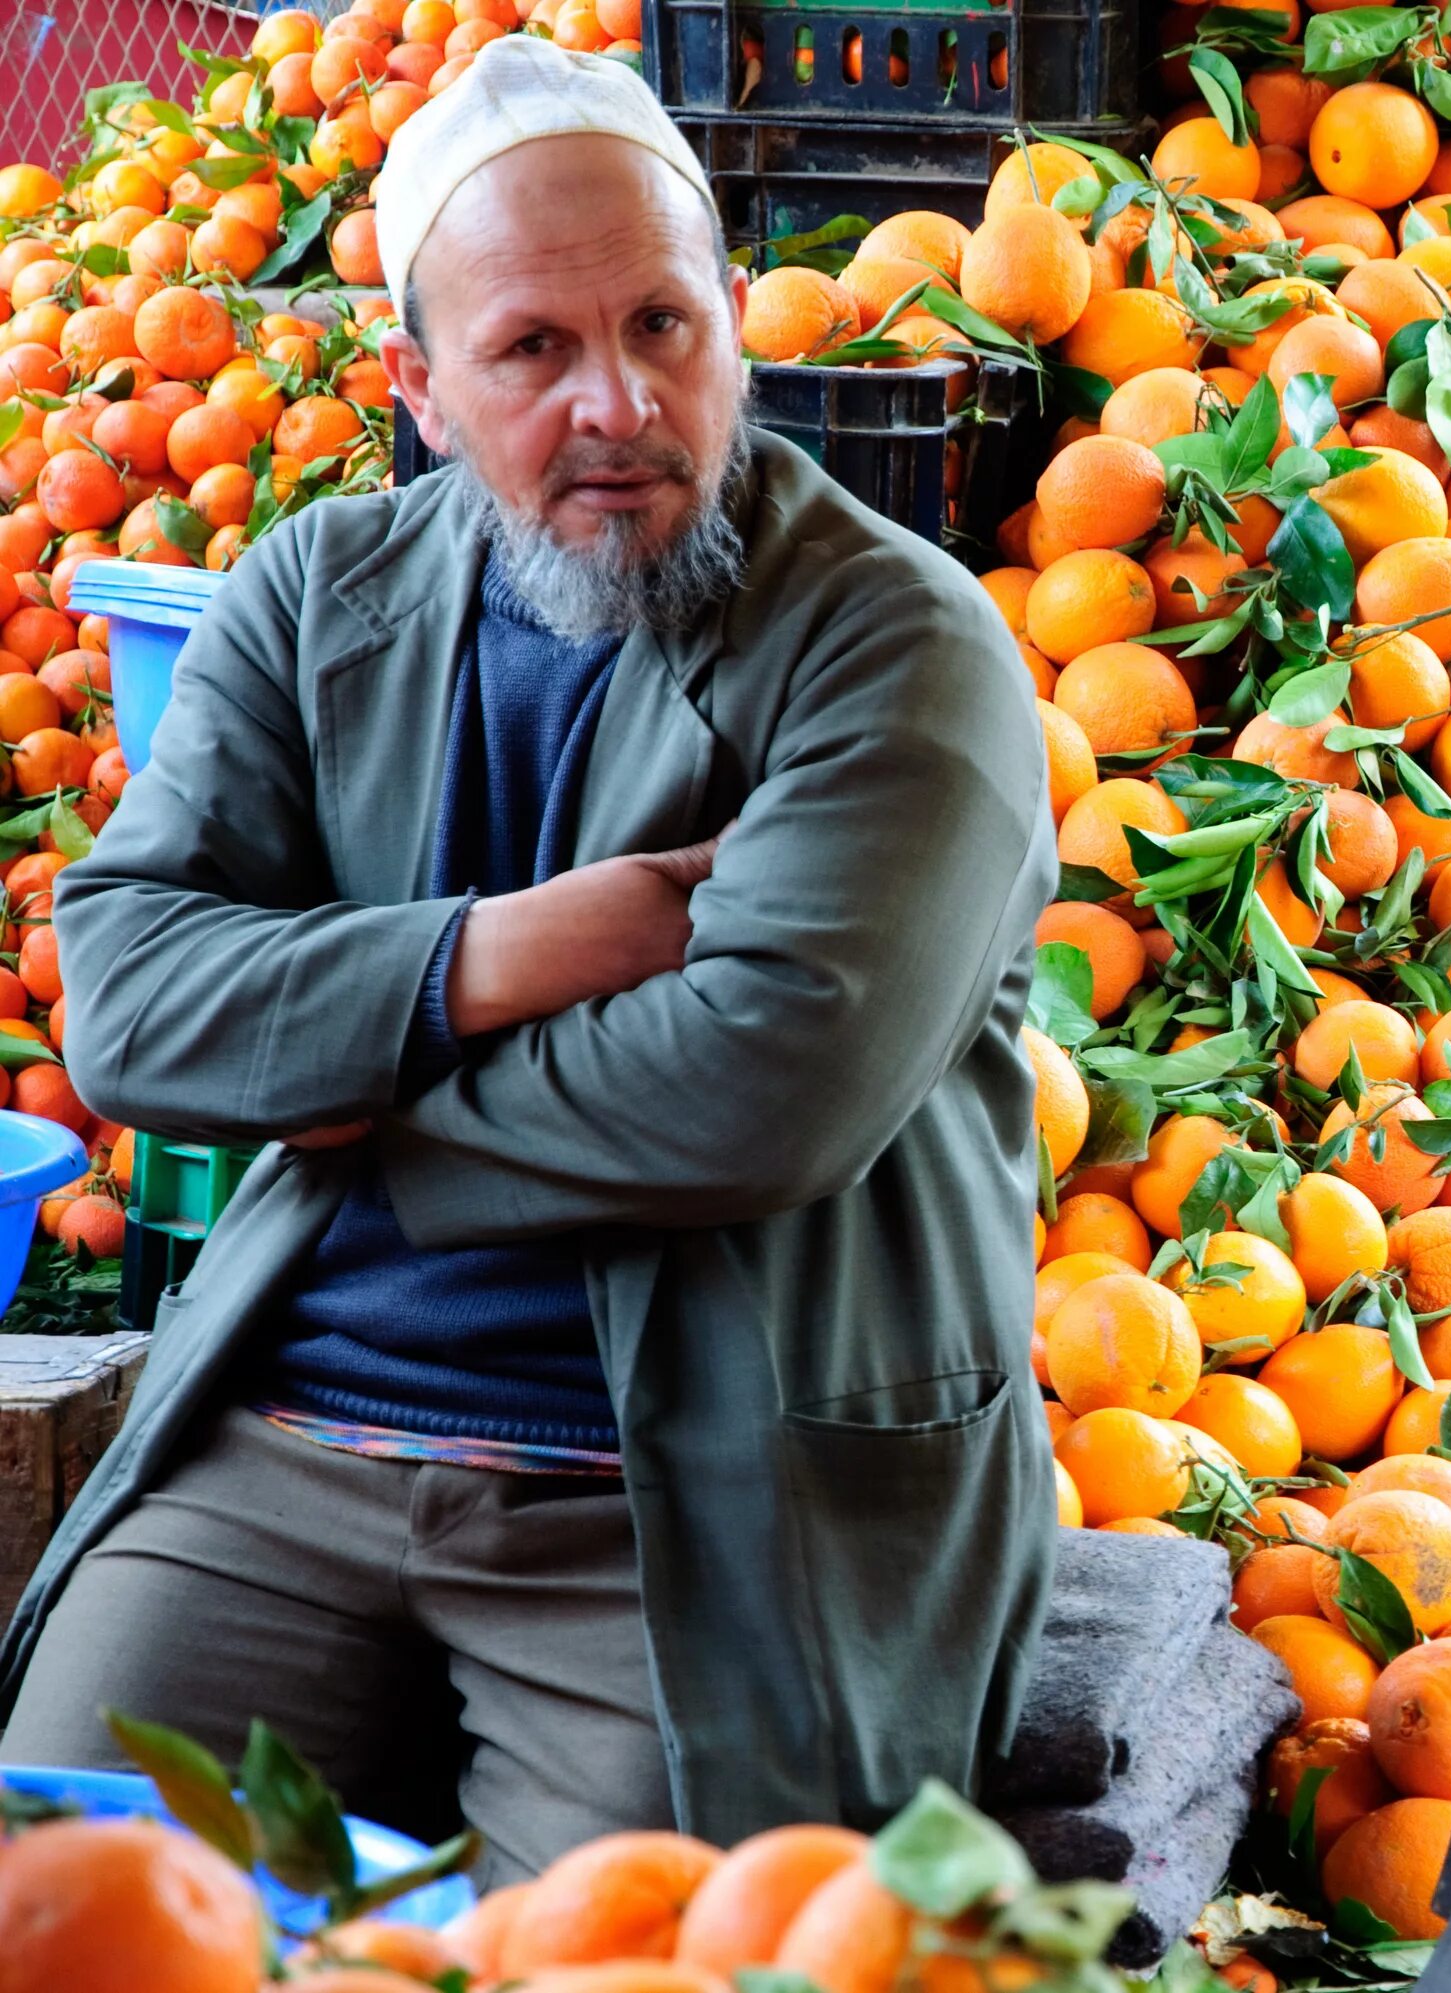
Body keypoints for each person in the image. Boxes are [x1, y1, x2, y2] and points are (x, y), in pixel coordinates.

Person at [0, 38, 1059, 1876]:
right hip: (289, 1446)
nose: (618, 402)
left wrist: (338, 1089)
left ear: (737, 318)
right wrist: (527, 946)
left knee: (619, 1951)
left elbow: (756, 1095)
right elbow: (134, 1003)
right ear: (417, 384)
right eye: (533, 351)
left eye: (662, 327)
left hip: (693, 1495)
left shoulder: (897, 643)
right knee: (54, 1891)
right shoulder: (317, 595)